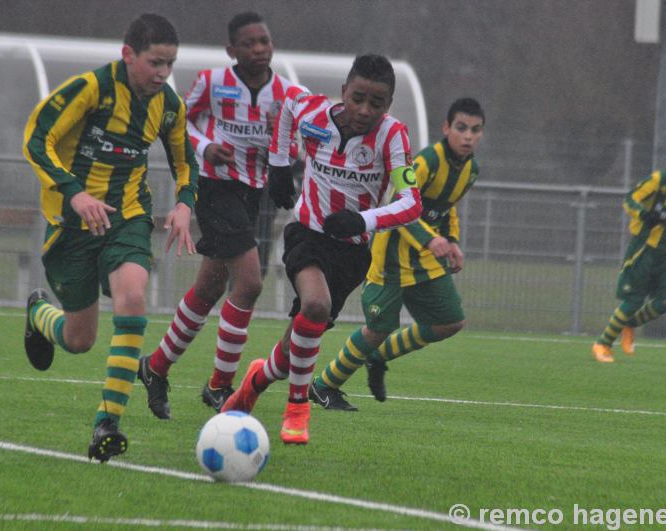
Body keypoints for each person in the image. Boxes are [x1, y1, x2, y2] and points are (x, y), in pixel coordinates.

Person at [22, 13, 198, 461]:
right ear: (128, 55)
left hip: (128, 217)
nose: (162, 74)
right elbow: (36, 139)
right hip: (72, 226)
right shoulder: (92, 88)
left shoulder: (168, 104)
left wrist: (183, 205)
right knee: (79, 340)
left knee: (133, 298)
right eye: (155, 62)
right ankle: (39, 314)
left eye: (170, 64)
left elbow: (185, 161)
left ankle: (107, 424)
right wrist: (75, 194)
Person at [221, 54, 423, 444]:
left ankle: (255, 382)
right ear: (344, 91)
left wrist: (363, 220)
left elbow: (411, 203)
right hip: (307, 234)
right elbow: (286, 106)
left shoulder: (392, 136)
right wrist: (279, 165)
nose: (364, 110)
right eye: (357, 98)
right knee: (315, 305)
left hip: (351, 252)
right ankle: (298, 408)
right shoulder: (312, 112)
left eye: (376, 104)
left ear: (389, 106)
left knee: (295, 344)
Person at [137, 12, 302, 419]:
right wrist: (206, 146)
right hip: (215, 188)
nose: (260, 49)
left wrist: (286, 146)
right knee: (249, 283)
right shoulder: (212, 84)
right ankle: (220, 385)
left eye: (264, 41)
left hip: (256, 196)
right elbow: (175, 123)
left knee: (210, 288)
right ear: (232, 51)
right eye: (250, 43)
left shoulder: (287, 94)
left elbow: (299, 145)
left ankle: (155, 367)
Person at [309, 98, 485, 410]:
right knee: (378, 328)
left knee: (450, 321)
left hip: (424, 262)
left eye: (475, 130)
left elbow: (447, 209)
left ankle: (377, 357)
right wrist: (430, 241)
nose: (468, 136)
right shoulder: (427, 161)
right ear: (446, 129)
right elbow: (399, 202)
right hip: (390, 258)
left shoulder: (470, 170)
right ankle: (323, 386)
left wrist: (452, 240)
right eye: (461, 128)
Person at [591, 143, 666, 363]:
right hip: (645, 248)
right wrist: (642, 214)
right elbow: (629, 199)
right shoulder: (658, 181)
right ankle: (603, 343)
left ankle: (630, 324)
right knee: (633, 299)